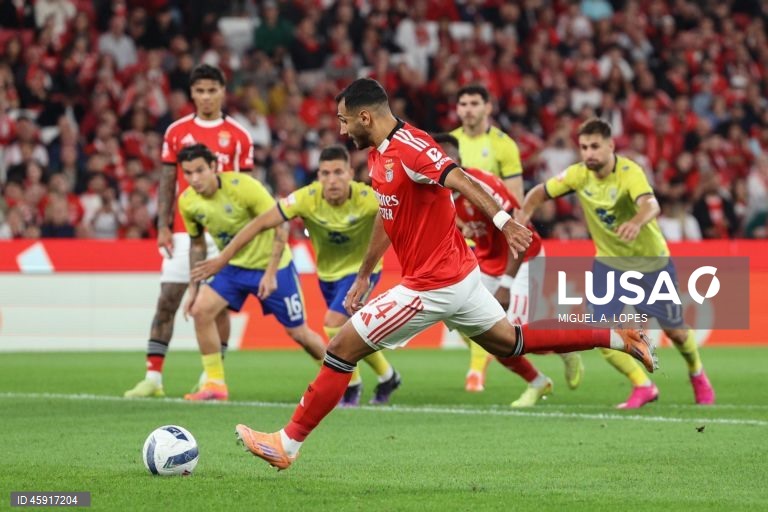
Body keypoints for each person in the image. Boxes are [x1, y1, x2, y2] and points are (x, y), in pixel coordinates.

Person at [232, 78, 656, 471]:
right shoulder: (380, 153)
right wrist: (364, 274)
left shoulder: (412, 147)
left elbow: (460, 179)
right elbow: (387, 213)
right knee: (512, 341)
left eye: (344, 121)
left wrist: (505, 222)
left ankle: (286, 443)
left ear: (365, 116)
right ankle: (619, 335)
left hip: (433, 286)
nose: (342, 132)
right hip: (461, 277)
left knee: (341, 348)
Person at [519, 117, 715, 409]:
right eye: (584, 147)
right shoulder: (578, 174)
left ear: (611, 146)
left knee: (676, 332)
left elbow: (652, 204)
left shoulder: (628, 172)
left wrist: (636, 222)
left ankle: (697, 373)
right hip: (609, 265)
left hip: (651, 264)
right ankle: (643, 386)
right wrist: (521, 220)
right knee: (600, 332)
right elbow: (538, 193)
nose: (589, 153)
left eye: (595, 146)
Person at [192, 144, 402, 407]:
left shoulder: (368, 197)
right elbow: (260, 223)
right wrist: (223, 258)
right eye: (325, 173)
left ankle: (351, 386)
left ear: (350, 172)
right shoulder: (306, 198)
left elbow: (402, 214)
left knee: (333, 323)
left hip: (362, 273)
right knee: (351, 331)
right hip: (326, 276)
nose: (332, 180)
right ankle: (388, 376)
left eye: (338, 172)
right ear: (318, 176)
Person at [124, 64, 254, 398]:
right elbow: (168, 180)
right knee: (167, 299)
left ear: (223, 91)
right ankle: (153, 378)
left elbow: (248, 188)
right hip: (185, 231)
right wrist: (163, 226)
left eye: (212, 90)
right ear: (192, 94)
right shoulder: (176, 132)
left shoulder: (240, 136)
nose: (206, 97)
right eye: (200, 90)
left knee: (218, 307)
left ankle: (213, 379)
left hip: (225, 234)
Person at [433, 133, 583, 407]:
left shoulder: (482, 185)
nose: (439, 162)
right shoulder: (433, 191)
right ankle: (538, 382)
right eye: (435, 156)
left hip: (523, 257)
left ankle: (566, 348)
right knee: (489, 335)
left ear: (458, 161)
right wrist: (461, 229)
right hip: (488, 261)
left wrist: (506, 283)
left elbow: (520, 232)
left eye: (446, 156)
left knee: (514, 331)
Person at [177, 143, 327, 400]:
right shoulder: (188, 202)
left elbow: (281, 226)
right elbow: (198, 244)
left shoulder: (244, 187)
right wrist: (193, 288)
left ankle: (338, 377)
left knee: (299, 333)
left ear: (214, 166)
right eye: (188, 173)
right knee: (200, 309)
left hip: (272, 265)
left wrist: (269, 273)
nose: (194, 178)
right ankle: (215, 384)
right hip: (234, 267)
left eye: (200, 170)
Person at [450, 84, 527, 388]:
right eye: (463, 103)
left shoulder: (503, 145)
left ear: (488, 108)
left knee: (487, 314)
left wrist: (509, 227)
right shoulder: (451, 143)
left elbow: (516, 200)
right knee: (461, 309)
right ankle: (477, 369)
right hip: (464, 234)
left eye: (473, 103)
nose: (467, 109)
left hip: (495, 237)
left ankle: (478, 371)